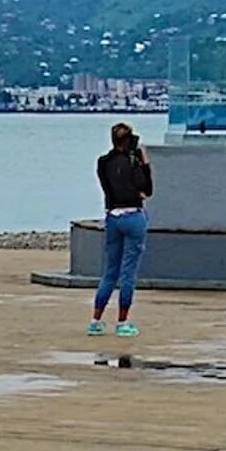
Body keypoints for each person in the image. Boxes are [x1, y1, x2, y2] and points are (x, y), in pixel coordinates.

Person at [88, 121, 153, 338]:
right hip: (133, 215)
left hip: (113, 215)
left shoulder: (103, 162)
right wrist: (145, 164)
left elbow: (108, 188)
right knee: (128, 272)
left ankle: (96, 320)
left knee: (110, 270)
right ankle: (122, 321)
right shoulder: (133, 162)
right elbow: (147, 189)